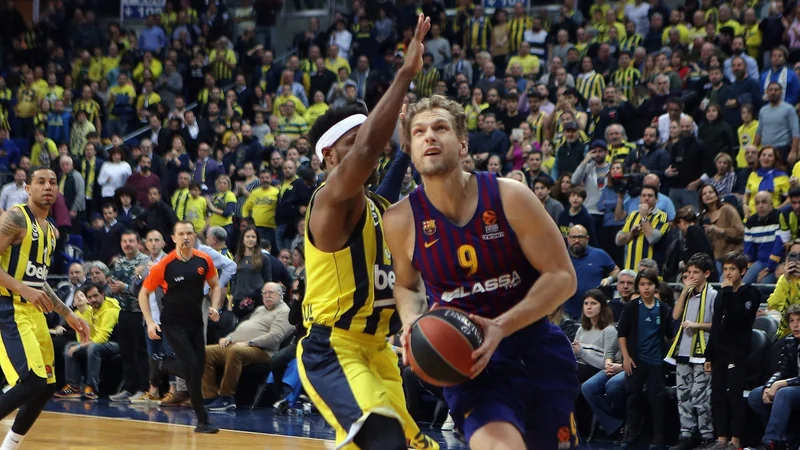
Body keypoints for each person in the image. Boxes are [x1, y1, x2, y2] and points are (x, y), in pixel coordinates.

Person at [385, 92, 580, 449]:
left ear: (462, 145)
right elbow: (408, 286)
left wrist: (501, 326)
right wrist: (412, 321)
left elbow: (563, 277)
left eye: (440, 128)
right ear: (411, 151)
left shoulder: (511, 196)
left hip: (537, 351)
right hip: (470, 364)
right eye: (419, 132)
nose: (429, 136)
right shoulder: (400, 220)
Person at [296, 15, 439, 450]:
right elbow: (369, 151)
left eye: (364, 138)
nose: (364, 148)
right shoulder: (331, 199)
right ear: (327, 157)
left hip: (379, 350)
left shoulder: (380, 208)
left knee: (414, 445)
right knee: (385, 441)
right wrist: (405, 75)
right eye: (351, 141)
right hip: (332, 347)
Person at [0, 166, 89, 450]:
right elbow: (27, 285)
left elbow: (40, 282)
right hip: (8, 308)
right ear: (28, 188)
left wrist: (68, 313)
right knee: (33, 381)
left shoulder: (50, 231)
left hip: (32, 312)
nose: (47, 186)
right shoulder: (15, 217)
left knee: (47, 384)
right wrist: (22, 288)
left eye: (52, 182)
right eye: (40, 182)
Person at [138, 221, 224, 434]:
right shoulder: (165, 264)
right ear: (174, 238)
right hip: (173, 322)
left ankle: (201, 422)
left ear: (194, 237)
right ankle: (202, 418)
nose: (185, 237)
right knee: (192, 366)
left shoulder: (204, 260)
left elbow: (215, 285)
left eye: (189, 233)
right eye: (181, 234)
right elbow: (144, 293)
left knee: (198, 370)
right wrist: (150, 322)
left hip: (195, 321)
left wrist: (214, 307)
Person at [705, 251, 760, 450]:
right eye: (726, 269)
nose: (727, 273)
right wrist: (709, 353)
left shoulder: (751, 293)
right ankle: (721, 438)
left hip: (737, 351)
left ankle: (735, 439)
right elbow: (716, 325)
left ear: (743, 271)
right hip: (719, 351)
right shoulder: (722, 293)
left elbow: (738, 320)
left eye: (732, 269)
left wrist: (728, 292)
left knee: (734, 395)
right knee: (717, 395)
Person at [617, 269, 675, 448]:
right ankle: (631, 435)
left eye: (649, 284)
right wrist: (626, 357)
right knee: (633, 397)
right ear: (638, 287)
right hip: (635, 361)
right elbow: (622, 334)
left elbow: (670, 335)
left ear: (655, 287)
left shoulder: (663, 309)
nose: (646, 288)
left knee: (656, 400)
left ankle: (658, 438)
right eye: (642, 284)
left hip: (656, 362)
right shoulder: (632, 307)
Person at [665, 253, 717, 449]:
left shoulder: (713, 295)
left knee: (700, 395)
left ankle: (706, 434)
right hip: (683, 350)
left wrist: (697, 325)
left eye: (696, 273)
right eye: (689, 273)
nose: (691, 277)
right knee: (683, 394)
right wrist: (684, 293)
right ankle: (686, 433)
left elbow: (718, 324)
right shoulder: (687, 293)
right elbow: (676, 315)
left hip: (703, 351)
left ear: (707, 274)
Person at [747, 304, 800, 450]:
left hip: (792, 388)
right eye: (792, 321)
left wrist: (780, 384)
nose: (795, 325)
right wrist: (768, 386)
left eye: (799, 320)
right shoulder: (789, 341)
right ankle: (785, 438)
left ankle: (771, 441)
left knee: (783, 393)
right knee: (756, 396)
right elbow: (781, 370)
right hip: (793, 386)